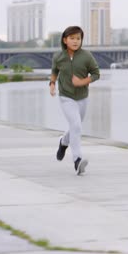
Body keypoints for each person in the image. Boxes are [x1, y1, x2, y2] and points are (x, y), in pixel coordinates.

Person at [49, 26, 100, 175]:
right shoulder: (58, 57)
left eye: (78, 38)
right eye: (72, 38)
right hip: (66, 97)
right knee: (76, 126)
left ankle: (63, 142)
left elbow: (96, 74)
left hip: (82, 97)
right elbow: (54, 72)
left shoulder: (87, 56)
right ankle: (77, 161)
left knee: (74, 127)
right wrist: (52, 84)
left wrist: (82, 81)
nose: (76, 41)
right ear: (65, 40)